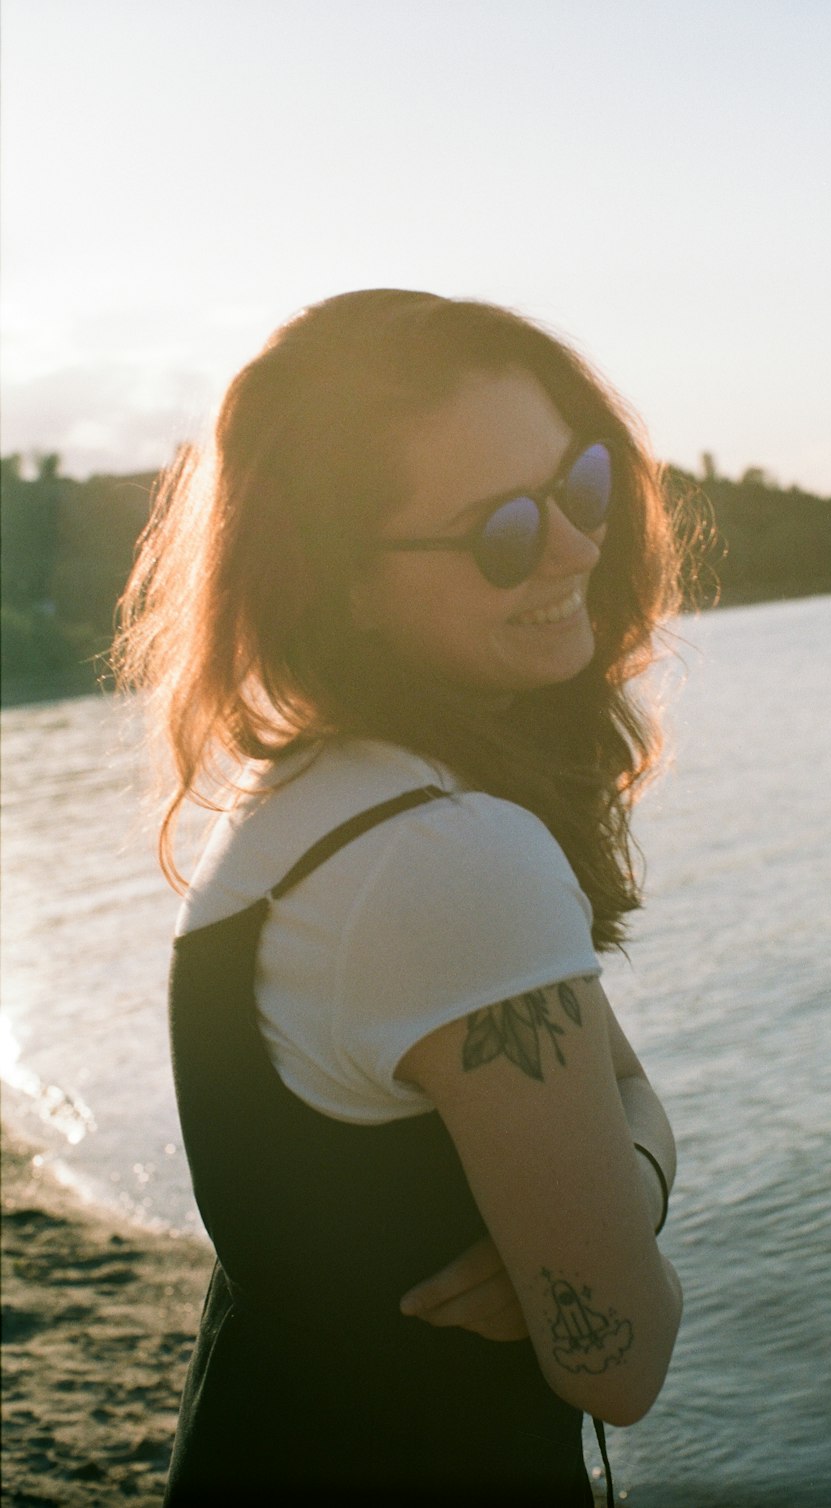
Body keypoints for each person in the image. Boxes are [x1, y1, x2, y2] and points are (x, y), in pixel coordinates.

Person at [115, 289, 684, 1505]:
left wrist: (617, 1155)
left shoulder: (300, 805)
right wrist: (638, 1174)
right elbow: (619, 1357)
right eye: (503, 531)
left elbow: (614, 1080)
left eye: (578, 486)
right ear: (344, 586)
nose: (578, 547)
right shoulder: (448, 857)